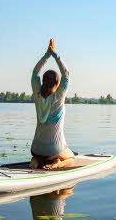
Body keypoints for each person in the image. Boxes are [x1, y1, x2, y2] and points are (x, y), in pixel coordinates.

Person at [29, 38, 74, 170]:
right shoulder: (58, 97)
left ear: (42, 81)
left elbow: (35, 73)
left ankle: (36, 161)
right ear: (57, 84)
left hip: (35, 149)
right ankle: (58, 163)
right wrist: (55, 54)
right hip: (54, 149)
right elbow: (66, 74)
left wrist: (46, 55)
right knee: (71, 157)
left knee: (40, 155)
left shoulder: (37, 94)